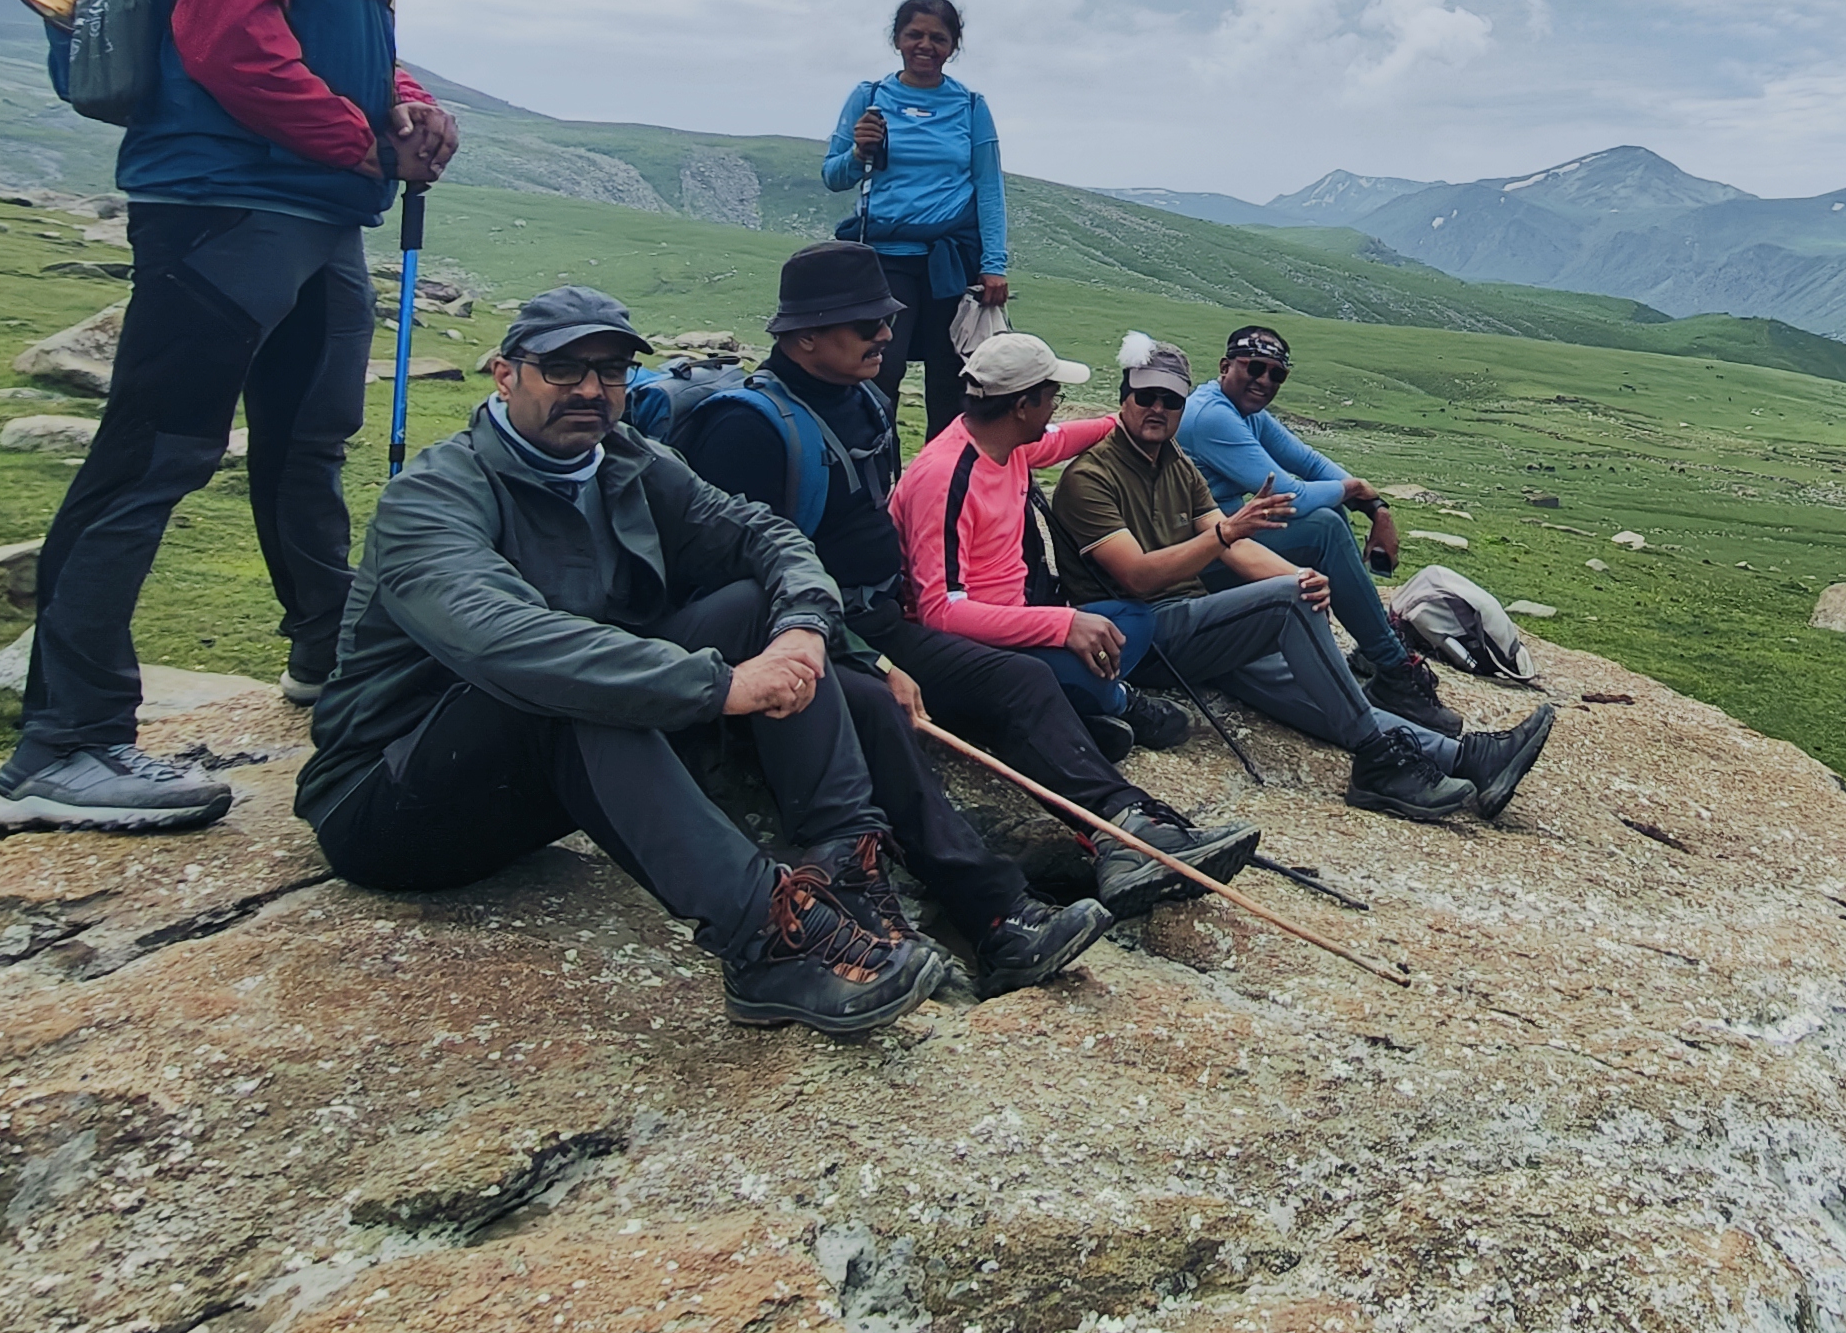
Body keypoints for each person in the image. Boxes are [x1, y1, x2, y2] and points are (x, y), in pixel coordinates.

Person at [295, 288, 1112, 1033]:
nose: (590, 390)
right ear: (505, 375)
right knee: (573, 690)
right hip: (394, 800)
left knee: (759, 610)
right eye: (563, 369)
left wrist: (803, 630)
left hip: (540, 781)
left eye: (610, 371)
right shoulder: (434, 497)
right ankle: (766, 943)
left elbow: (764, 535)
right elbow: (512, 645)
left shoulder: (625, 460)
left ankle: (848, 872)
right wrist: (721, 685)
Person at [0, 0, 468, 837]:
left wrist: (412, 108)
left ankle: (327, 658)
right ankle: (60, 746)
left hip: (315, 210)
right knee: (154, 455)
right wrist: (364, 145)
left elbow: (357, 53)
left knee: (308, 442)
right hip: (226, 204)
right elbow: (231, 43)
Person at [671, 242, 1261, 921]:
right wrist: (872, 660)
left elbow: (1051, 440)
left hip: (875, 618)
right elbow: (750, 581)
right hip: (820, 634)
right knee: (967, 698)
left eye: (887, 319)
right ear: (805, 335)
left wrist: (1130, 417)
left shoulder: (861, 402)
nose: (887, 334)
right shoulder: (747, 432)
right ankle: (1036, 885)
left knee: (1026, 679)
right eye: (868, 324)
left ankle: (1128, 829)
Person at [914, 330, 1554, 824]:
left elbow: (1234, 546)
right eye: (1145, 397)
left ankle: (1465, 758)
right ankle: (1379, 760)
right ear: (1124, 398)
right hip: (1145, 632)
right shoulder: (1087, 479)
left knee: (1315, 686)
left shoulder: (1165, 460)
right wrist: (1249, 558)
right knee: (1288, 613)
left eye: (1171, 400)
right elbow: (1139, 577)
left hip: (1193, 625)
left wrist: (1295, 577)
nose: (1158, 409)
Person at [1177, 325, 1463, 736]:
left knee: (1328, 517)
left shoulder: (1246, 413)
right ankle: (1393, 669)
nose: (1264, 381)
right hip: (1199, 559)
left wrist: (1376, 507)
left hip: (1227, 543)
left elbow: (1309, 462)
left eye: (1276, 374)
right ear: (1225, 366)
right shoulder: (1211, 416)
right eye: (1254, 368)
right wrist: (1355, 490)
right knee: (1323, 527)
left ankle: (1377, 647)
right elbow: (1289, 496)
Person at [822, 0, 1007, 443]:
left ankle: (941, 478)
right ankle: (872, 475)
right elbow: (833, 176)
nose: (925, 46)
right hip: (886, 258)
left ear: (953, 46)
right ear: (897, 39)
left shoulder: (970, 106)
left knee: (952, 382)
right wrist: (859, 151)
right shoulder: (869, 98)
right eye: (915, 35)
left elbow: (989, 187)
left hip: (951, 261)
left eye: (938, 38)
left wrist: (994, 264)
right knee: (879, 373)